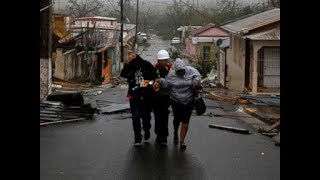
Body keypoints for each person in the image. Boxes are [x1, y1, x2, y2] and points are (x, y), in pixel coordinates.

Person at [159, 58, 201, 149]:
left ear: (185, 68)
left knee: (185, 121)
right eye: (178, 71)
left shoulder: (191, 71)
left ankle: (182, 141)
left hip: (189, 100)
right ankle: (175, 133)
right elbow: (167, 85)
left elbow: (198, 76)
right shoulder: (171, 75)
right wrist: (161, 81)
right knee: (177, 119)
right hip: (176, 101)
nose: (181, 73)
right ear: (175, 70)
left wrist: (196, 81)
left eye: (182, 71)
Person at [120, 51, 157, 146]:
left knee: (146, 117)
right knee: (135, 117)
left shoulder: (146, 65)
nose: (129, 58)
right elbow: (123, 75)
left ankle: (147, 130)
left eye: (130, 56)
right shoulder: (129, 67)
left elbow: (153, 79)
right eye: (128, 57)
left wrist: (144, 84)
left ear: (136, 56)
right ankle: (137, 137)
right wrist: (127, 64)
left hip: (146, 95)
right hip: (133, 95)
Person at [152, 50, 173, 146]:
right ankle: (158, 133)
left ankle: (164, 136)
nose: (165, 62)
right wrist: (156, 82)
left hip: (166, 97)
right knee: (157, 116)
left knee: (164, 116)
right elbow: (147, 82)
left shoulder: (170, 69)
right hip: (156, 97)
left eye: (166, 60)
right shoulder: (154, 69)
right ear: (158, 61)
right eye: (162, 60)